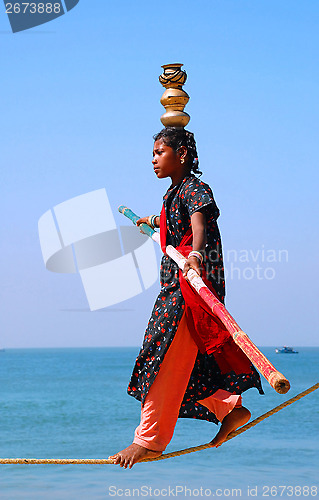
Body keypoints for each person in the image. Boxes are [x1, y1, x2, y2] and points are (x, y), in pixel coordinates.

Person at [109, 127, 263, 469]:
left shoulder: (196, 189)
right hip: (174, 285)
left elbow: (199, 225)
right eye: (152, 153)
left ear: (180, 154)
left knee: (161, 356)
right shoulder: (172, 194)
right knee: (187, 361)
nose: (152, 160)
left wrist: (194, 255)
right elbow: (169, 220)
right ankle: (230, 409)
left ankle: (148, 440)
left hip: (188, 287)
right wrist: (149, 220)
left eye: (159, 152)